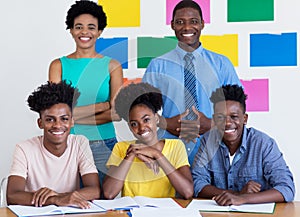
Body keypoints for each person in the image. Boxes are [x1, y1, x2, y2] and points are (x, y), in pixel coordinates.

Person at [142, 0, 242, 163]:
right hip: (170, 149)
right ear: (172, 25)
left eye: (193, 21)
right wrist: (166, 123)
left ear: (202, 24)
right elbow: (141, 109)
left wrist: (211, 124)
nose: (187, 28)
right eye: (180, 22)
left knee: (212, 189)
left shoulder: (221, 64)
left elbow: (237, 106)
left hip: (213, 148)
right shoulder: (158, 65)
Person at [48, 0, 123, 185]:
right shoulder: (58, 65)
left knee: (104, 204)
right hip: (67, 144)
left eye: (91, 27)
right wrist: (102, 105)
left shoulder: (112, 66)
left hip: (103, 145)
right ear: (71, 30)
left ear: (99, 32)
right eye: (78, 27)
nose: (85, 32)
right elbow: (55, 114)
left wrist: (71, 117)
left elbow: (116, 113)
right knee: (68, 203)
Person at [191, 84, 295, 205]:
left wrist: (243, 199)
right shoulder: (208, 141)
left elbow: (286, 188)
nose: (227, 123)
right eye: (220, 117)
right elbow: (198, 183)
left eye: (234, 117)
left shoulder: (264, 144)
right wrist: (236, 194)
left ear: (245, 119)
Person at [7, 81, 100, 208]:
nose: (57, 125)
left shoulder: (79, 143)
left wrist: (60, 197)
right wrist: (55, 199)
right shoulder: (24, 148)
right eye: (50, 119)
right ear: (40, 123)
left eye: (64, 119)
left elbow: (94, 190)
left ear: (72, 122)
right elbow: (12, 195)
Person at [103, 83, 193, 199]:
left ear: (156, 119)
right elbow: (109, 193)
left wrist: (157, 154)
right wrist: (132, 154)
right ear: (130, 127)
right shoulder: (121, 148)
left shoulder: (175, 146)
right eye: (134, 124)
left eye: (146, 120)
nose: (141, 128)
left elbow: (187, 192)